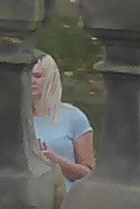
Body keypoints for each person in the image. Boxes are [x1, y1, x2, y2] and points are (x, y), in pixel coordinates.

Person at [29, 57, 94, 186]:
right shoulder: (18, 120)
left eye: (37, 76)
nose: (31, 81)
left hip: (65, 201)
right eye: (28, 76)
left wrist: (54, 160)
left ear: (50, 79)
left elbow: (89, 174)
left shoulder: (74, 117)